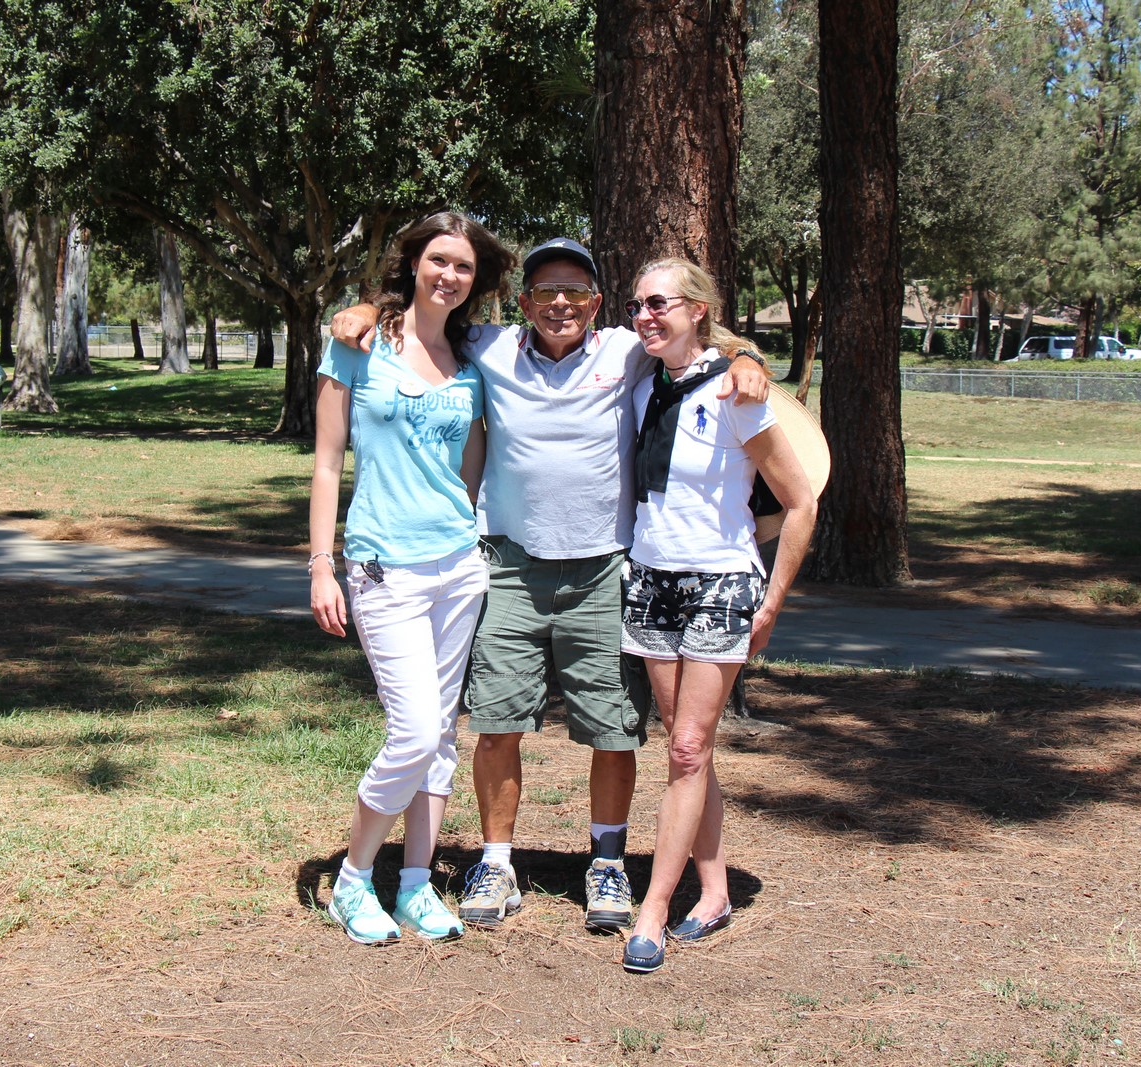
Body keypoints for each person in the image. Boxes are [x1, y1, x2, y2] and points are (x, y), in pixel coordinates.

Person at [330, 239, 769, 934]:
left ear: (596, 304)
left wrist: (748, 360)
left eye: (575, 291)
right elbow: (420, 313)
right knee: (497, 722)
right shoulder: (491, 346)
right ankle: (497, 860)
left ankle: (606, 860)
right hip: (508, 566)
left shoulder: (628, 349)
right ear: (523, 301)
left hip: (604, 569)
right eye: (544, 291)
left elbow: (708, 336)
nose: (559, 303)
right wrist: (362, 309)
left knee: (612, 729)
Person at [310, 211, 514, 945]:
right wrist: (320, 565)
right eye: (439, 260)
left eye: (463, 266)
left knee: (439, 740)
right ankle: (353, 878)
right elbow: (329, 462)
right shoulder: (359, 346)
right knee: (414, 728)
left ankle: (417, 885)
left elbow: (470, 469)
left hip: (458, 569)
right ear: (414, 263)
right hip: (380, 567)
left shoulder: (473, 360)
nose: (449, 275)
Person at [616, 258, 817, 974]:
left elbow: (800, 501)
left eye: (659, 303)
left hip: (718, 584)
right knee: (685, 748)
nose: (645, 315)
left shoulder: (738, 392)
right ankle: (716, 890)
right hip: (649, 583)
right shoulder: (643, 385)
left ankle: (652, 911)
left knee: (688, 749)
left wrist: (772, 598)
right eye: (638, 304)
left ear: (698, 309)